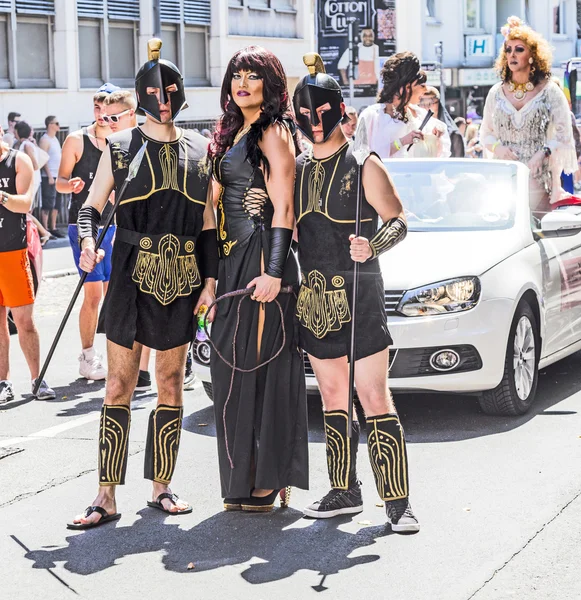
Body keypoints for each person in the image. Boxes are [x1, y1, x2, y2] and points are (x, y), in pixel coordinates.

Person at [68, 39, 217, 529]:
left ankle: (162, 487)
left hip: (182, 278)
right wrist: (88, 242)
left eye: (170, 88)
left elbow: (210, 226)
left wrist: (211, 280)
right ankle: (105, 495)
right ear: (142, 95)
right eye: (154, 90)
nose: (164, 98)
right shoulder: (120, 147)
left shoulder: (200, 150)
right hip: (131, 276)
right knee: (118, 384)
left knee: (171, 382)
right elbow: (90, 208)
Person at [292, 53, 419, 533]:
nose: (314, 123)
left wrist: (374, 244)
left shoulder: (364, 163)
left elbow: (400, 220)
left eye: (322, 112)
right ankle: (344, 490)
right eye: (305, 116)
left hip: (362, 297)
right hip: (316, 300)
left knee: (373, 395)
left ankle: (398, 502)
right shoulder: (297, 169)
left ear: (339, 109)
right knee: (331, 395)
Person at [208, 45, 309, 512]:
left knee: (263, 366)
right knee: (230, 370)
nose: (242, 82)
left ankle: (268, 479)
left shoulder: (272, 130)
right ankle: (243, 476)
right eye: (236, 75)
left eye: (252, 75)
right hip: (232, 262)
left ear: (270, 84)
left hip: (261, 261)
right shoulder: (234, 133)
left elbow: (284, 206)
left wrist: (273, 269)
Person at [480, 16, 577, 214]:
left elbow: (564, 134)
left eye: (519, 49)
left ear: (532, 55)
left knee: (536, 230)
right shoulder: (496, 93)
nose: (512, 54)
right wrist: (498, 148)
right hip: (503, 178)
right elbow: (485, 134)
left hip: (538, 178)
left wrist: (543, 153)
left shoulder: (550, 91)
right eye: (508, 50)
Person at [56, 84, 121, 381]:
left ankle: (107, 353)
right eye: (97, 108)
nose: (102, 114)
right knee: (93, 294)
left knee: (109, 295)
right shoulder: (76, 140)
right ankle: (87, 355)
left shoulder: (120, 141)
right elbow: (59, 181)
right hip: (81, 226)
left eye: (107, 109)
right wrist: (70, 186)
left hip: (113, 225)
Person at [0, 125, 55, 403]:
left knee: (24, 321)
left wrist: (1, 195)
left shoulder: (17, 160)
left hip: (11, 251)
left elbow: (26, 204)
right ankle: (3, 382)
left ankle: (37, 378)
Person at [359, 52, 450, 160]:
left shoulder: (420, 116)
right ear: (407, 87)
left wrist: (436, 138)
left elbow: (437, 157)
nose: (426, 89)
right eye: (421, 85)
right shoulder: (373, 116)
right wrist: (401, 142)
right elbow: (362, 157)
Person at [420, 86, 465, 157]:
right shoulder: (416, 127)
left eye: (431, 102)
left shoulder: (453, 133)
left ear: (438, 103)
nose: (427, 107)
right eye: (422, 102)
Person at [39, 116, 64, 238]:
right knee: (48, 203)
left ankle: (53, 227)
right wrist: (49, 176)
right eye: (57, 123)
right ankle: (45, 229)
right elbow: (43, 160)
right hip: (49, 177)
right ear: (50, 125)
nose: (59, 125)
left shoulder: (55, 139)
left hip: (57, 176)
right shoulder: (45, 139)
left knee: (56, 204)